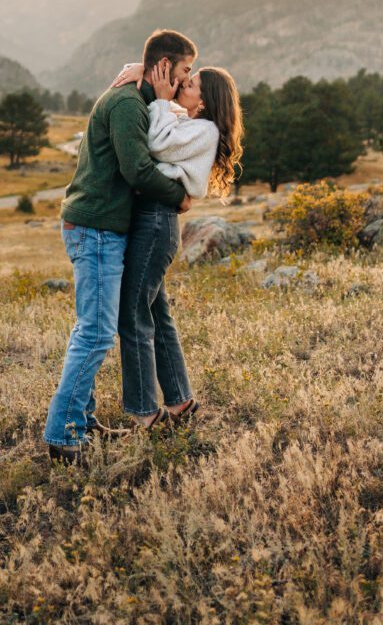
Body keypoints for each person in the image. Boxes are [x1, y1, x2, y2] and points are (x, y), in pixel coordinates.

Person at [43, 29, 198, 464]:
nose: (188, 80)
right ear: (164, 66)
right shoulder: (128, 104)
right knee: (95, 332)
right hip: (94, 230)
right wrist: (180, 197)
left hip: (101, 228)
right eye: (184, 70)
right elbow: (138, 170)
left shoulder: (139, 97)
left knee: (96, 327)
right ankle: (62, 435)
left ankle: (83, 419)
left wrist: (143, 73)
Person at [111, 59, 244, 428]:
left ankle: (142, 412)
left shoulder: (204, 130)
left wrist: (160, 99)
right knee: (155, 312)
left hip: (156, 222)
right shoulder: (190, 123)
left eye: (191, 84)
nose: (182, 83)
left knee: (132, 312)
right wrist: (143, 72)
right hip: (153, 220)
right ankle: (180, 400)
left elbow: (154, 144)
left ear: (204, 101)